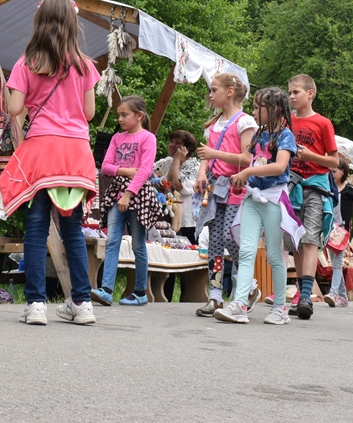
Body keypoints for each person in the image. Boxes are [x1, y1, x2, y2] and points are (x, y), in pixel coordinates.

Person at [0, 0, 100, 327]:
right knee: (72, 228)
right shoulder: (86, 65)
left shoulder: (27, 62)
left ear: (38, 23)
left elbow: (15, 109)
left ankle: (36, 304)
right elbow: (89, 113)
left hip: (42, 150)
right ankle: (82, 303)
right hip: (76, 153)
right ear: (73, 24)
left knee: (37, 225)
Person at [213, 87, 300, 325]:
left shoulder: (285, 136)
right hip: (253, 197)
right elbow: (253, 160)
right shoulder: (258, 135)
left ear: (274, 110)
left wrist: (249, 171)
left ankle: (280, 307)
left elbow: (280, 167)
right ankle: (240, 303)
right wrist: (243, 179)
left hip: (273, 198)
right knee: (247, 249)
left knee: (274, 254)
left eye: (256, 107)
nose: (252, 112)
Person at [194, 73, 257, 317]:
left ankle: (249, 286)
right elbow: (204, 157)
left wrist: (214, 155)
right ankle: (215, 295)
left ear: (230, 91)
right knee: (215, 242)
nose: (211, 95)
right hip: (215, 190)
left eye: (214, 89)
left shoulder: (245, 122)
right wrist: (201, 173)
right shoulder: (214, 123)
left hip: (236, 188)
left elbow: (247, 158)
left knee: (232, 238)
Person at [92, 96, 159, 307]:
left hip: (137, 194)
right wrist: (126, 171)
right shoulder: (116, 138)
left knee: (138, 244)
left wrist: (129, 194)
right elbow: (105, 166)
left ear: (139, 116)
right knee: (112, 240)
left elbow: (145, 170)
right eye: (119, 115)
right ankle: (106, 289)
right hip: (116, 192)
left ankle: (140, 292)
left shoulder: (148, 138)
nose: (120, 119)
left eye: (124, 114)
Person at [285, 74, 340, 319]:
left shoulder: (322, 123)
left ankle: (306, 295)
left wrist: (310, 157)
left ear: (310, 93)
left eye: (296, 92)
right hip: (291, 187)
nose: (292, 97)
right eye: (289, 93)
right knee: (295, 241)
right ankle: (301, 292)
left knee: (310, 240)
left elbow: (334, 161)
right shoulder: (287, 122)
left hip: (315, 187)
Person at [154, 129, 201, 301]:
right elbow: (150, 175)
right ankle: (164, 296)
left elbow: (177, 184)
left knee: (187, 260)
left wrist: (176, 161)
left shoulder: (194, 166)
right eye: (171, 141)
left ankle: (189, 298)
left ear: (187, 149)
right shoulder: (164, 162)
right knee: (166, 257)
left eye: (178, 143)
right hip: (165, 218)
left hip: (188, 221)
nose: (172, 145)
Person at [324, 157, 353, 308]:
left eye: (334, 171)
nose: (331, 174)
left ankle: (333, 293)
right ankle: (342, 295)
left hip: (342, 231)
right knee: (335, 262)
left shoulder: (350, 189)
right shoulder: (328, 186)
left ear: (343, 172)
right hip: (329, 229)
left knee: (337, 263)